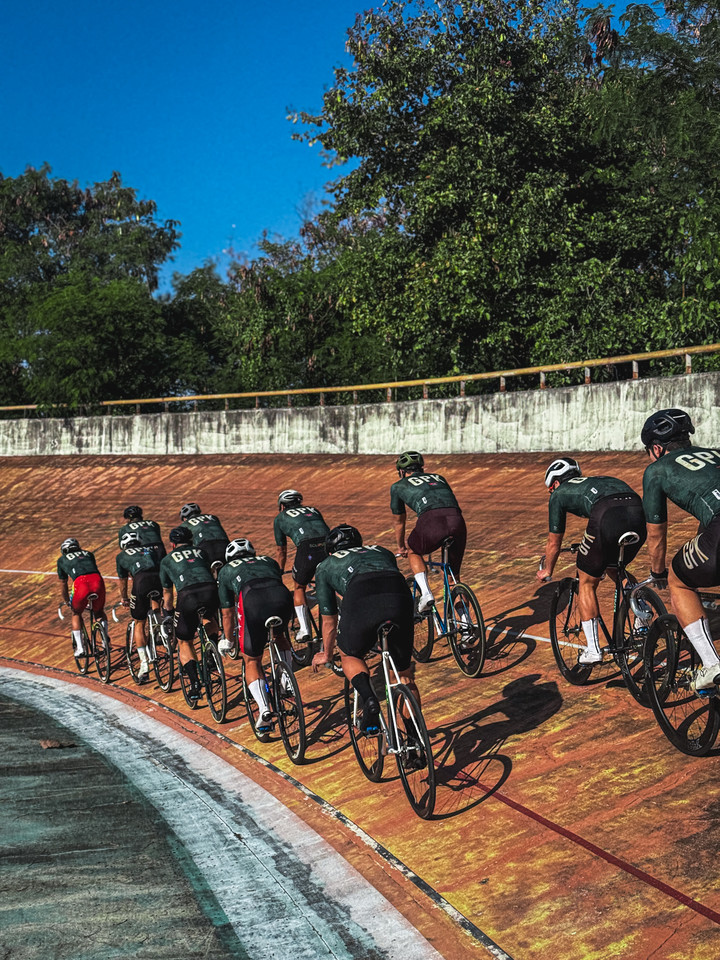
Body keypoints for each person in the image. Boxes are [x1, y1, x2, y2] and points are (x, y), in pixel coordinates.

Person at [537, 457, 647, 664]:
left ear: (556, 483)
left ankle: (593, 650)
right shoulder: (599, 480)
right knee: (616, 567)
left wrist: (547, 570)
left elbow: (554, 543)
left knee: (587, 581)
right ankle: (642, 617)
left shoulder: (559, 494)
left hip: (606, 516)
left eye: (551, 488)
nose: (552, 492)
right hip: (638, 513)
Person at [312, 524, 418, 735]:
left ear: (331, 550)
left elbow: (329, 620)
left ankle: (369, 699)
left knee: (349, 655)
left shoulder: (325, 566)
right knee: (404, 674)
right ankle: (415, 740)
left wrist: (328, 653)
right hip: (399, 596)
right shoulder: (381, 551)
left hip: (361, 598)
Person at [642, 408, 720, 691]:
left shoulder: (656, 469)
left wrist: (657, 570)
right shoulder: (712, 454)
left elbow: (656, 532)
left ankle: (712, 665)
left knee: (680, 580)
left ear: (657, 448)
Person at [218, 538, 294, 732]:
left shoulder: (226, 571)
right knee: (280, 636)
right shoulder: (268, 561)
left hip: (252, 600)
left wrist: (228, 640)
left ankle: (264, 709)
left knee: (251, 659)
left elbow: (227, 613)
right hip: (281, 596)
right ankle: (287, 679)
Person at [391, 451, 467, 612]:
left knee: (414, 551)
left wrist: (401, 547)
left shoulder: (398, 486)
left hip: (431, 521)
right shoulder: (439, 477)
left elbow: (399, 521)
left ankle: (426, 594)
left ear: (402, 472)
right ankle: (466, 622)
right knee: (453, 578)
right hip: (457, 521)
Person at [159, 526, 219, 701]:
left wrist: (169, 613)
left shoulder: (167, 560)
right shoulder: (201, 552)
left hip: (188, 596)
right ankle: (211, 653)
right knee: (209, 618)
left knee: (184, 641)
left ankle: (194, 684)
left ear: (172, 544)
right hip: (210, 590)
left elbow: (168, 594)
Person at [273, 489, 329, 641]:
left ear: (282, 506)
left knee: (299, 586)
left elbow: (281, 551)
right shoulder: (313, 510)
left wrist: (279, 571)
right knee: (329, 581)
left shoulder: (280, 518)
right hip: (329, 545)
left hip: (308, 549)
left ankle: (305, 630)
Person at [115, 531, 163, 680]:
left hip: (141, 581)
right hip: (158, 578)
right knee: (156, 608)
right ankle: (162, 633)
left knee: (139, 622)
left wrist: (124, 598)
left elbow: (123, 581)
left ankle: (144, 665)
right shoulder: (149, 549)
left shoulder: (121, 556)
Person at [56, 538, 109, 657]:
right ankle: (105, 642)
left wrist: (66, 601)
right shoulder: (89, 554)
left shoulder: (61, 560)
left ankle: (80, 649)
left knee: (76, 613)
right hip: (97, 580)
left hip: (81, 584)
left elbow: (63, 583)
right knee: (99, 612)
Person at [178, 502, 229, 571]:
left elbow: (186, 545)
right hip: (224, 544)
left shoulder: (184, 525)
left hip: (205, 546)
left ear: (184, 518)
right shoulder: (213, 517)